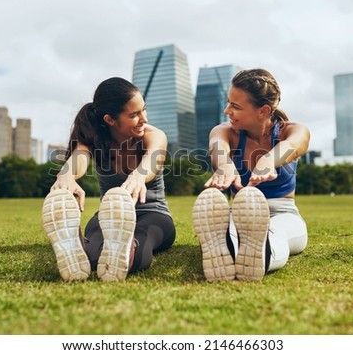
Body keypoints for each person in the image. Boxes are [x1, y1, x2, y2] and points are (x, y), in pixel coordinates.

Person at [42, 77, 176, 282]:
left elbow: (153, 158)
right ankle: (74, 245)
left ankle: (125, 247)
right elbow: (78, 158)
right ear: (110, 120)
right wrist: (67, 176)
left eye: (144, 110)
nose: (144, 119)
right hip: (109, 214)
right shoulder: (94, 140)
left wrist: (139, 176)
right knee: (94, 253)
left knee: (140, 243)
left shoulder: (153, 135)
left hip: (153, 213)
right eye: (134, 114)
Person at [192, 69, 310, 282]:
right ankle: (227, 248)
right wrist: (225, 166)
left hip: (282, 213)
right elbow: (217, 145)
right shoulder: (226, 131)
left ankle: (258, 254)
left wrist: (268, 160)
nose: (227, 110)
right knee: (236, 233)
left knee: (277, 234)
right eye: (228, 103)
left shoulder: (291, 131)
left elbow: (294, 145)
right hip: (240, 215)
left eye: (236, 106)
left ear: (263, 111)